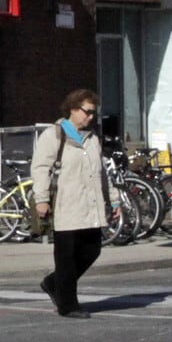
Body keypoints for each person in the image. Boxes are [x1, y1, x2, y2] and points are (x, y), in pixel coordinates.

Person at [31, 88, 108, 319]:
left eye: (93, 113)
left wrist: (112, 200)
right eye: (87, 112)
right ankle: (68, 305)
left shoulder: (92, 138)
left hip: (90, 205)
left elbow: (102, 173)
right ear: (73, 109)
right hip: (66, 204)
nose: (91, 117)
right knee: (66, 256)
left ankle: (53, 283)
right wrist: (41, 199)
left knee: (92, 250)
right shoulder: (55, 134)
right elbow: (40, 168)